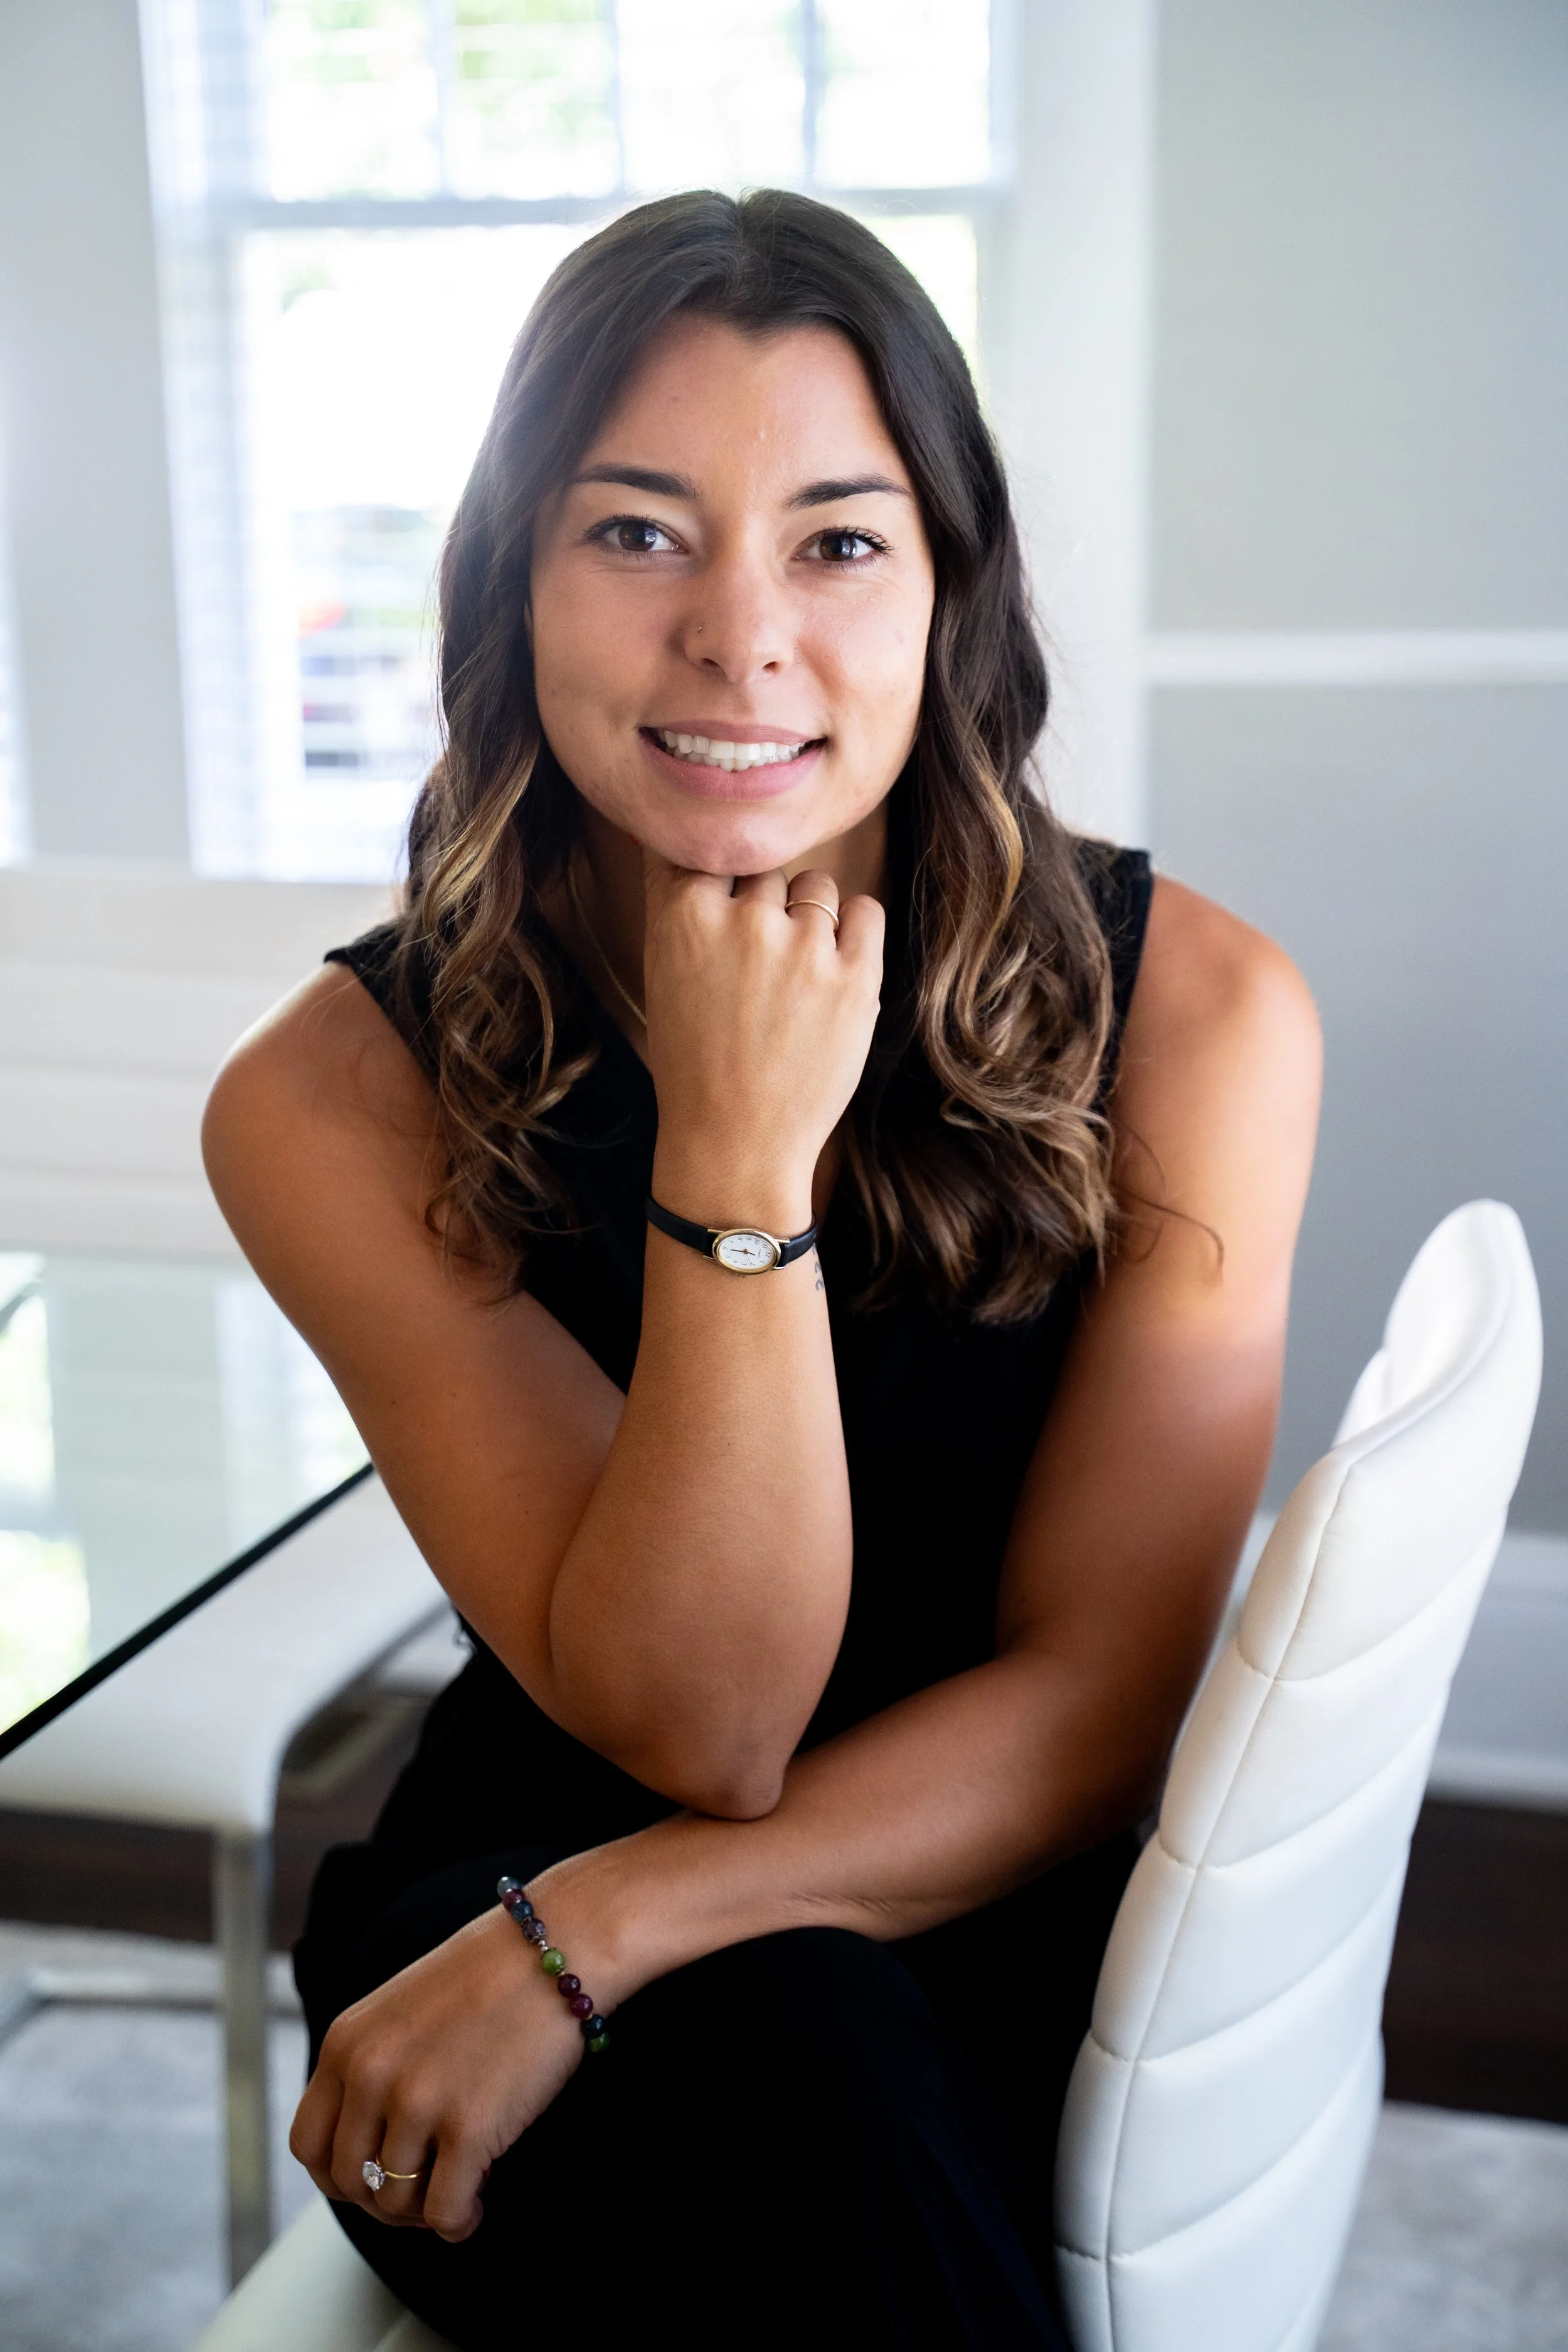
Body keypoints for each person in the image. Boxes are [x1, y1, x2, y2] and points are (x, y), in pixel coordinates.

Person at [203, 189, 1320, 2349]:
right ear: (509, 580)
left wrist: (588, 1939)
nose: (739, 638)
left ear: (946, 594)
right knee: (800, 2084)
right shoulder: (331, 1096)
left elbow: (1105, 1704)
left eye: (834, 540)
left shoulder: (1196, 1016)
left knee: (832, 2063)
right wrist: (734, 1151)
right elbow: (706, 1721)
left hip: (942, 1883)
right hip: (521, 1881)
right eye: (634, 534)